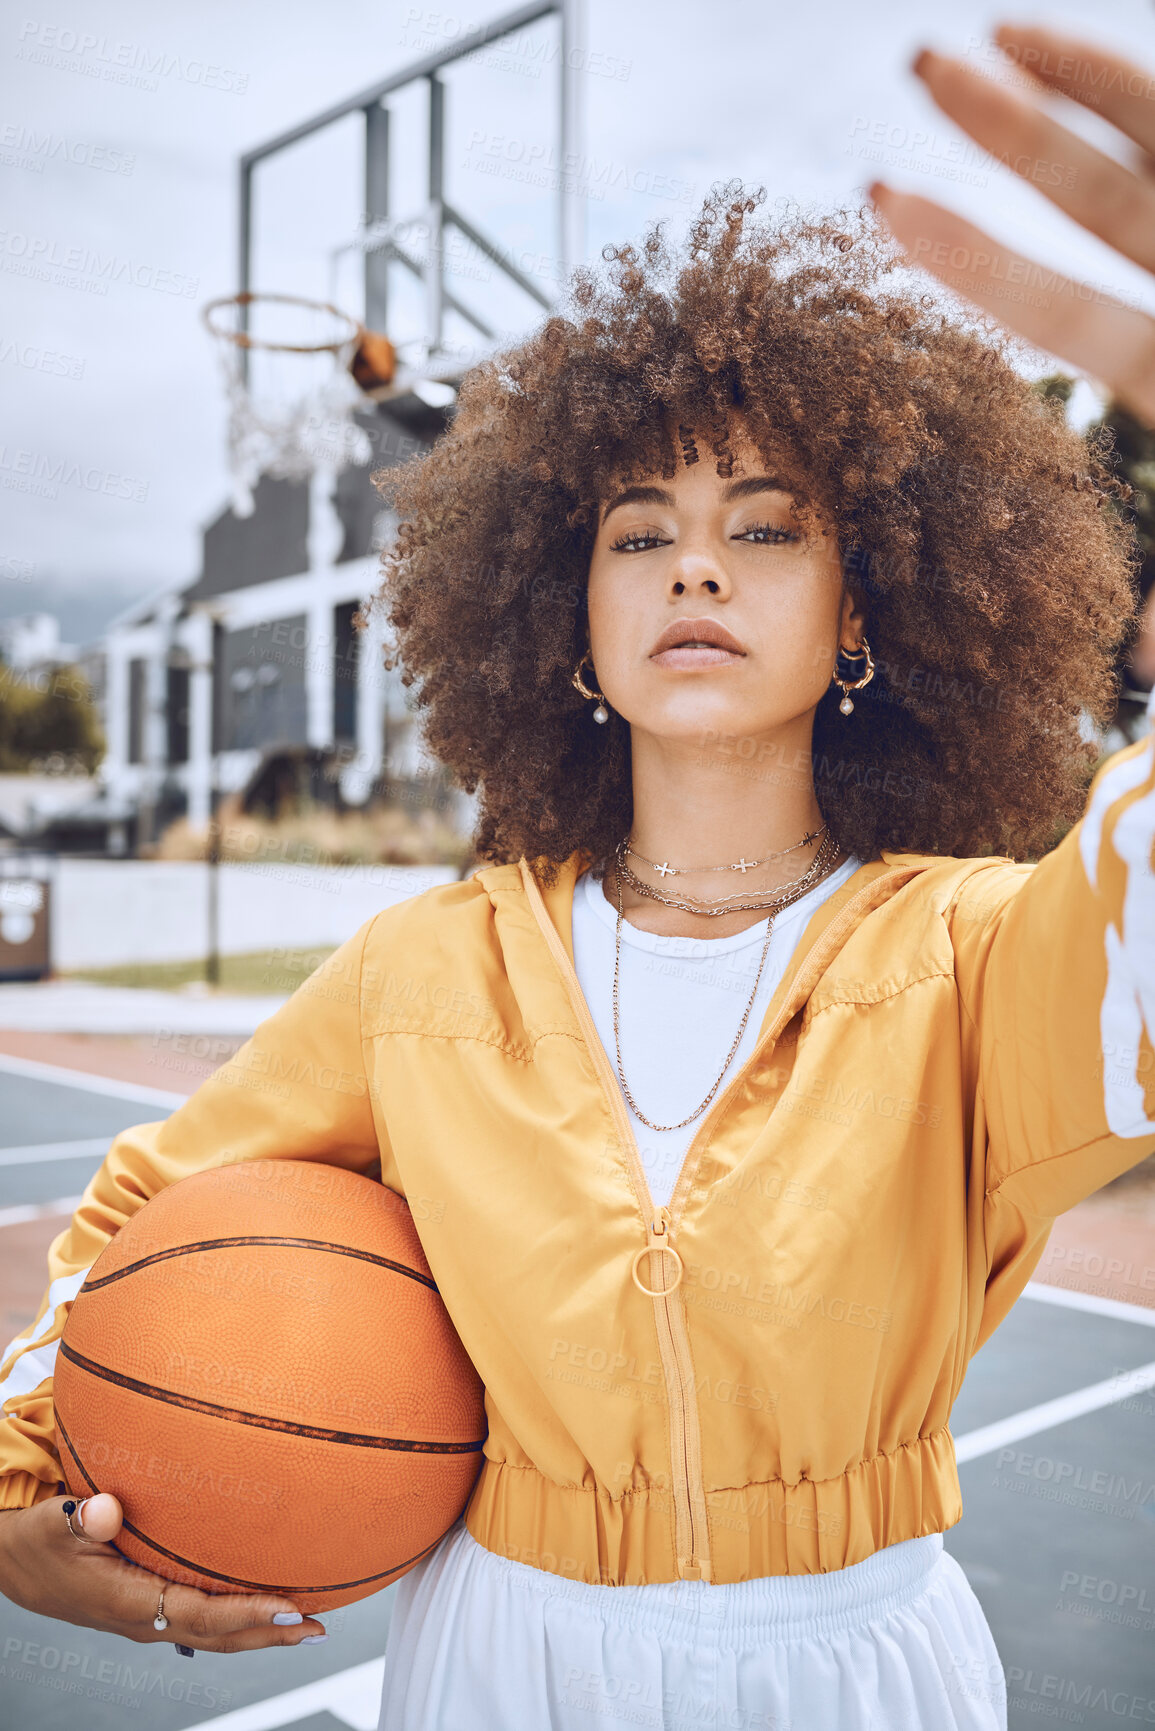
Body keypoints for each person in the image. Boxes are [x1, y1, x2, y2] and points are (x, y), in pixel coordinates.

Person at [1, 30, 1154, 1731]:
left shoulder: (979, 957)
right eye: (638, 530)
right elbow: (121, 1230)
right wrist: (16, 1483)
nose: (696, 557)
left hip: (860, 1668)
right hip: (497, 1665)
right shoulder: (419, 977)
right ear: (570, 618)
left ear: (863, 616)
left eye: (768, 525)